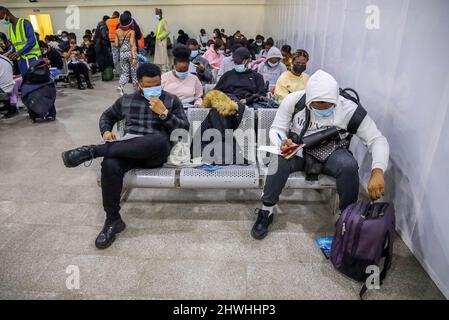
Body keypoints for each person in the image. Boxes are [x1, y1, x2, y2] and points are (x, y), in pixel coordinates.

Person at [61, 63, 189, 249]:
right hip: (128, 150)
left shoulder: (170, 100)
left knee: (157, 140)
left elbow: (184, 130)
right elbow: (107, 116)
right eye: (148, 85)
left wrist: (164, 114)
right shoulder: (126, 100)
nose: (154, 89)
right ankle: (113, 220)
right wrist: (106, 132)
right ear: (138, 84)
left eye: (157, 84)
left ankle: (93, 151)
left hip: (155, 152)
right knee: (110, 164)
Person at [251, 70, 389, 240]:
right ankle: (267, 211)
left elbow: (377, 139)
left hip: (332, 150)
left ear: (335, 100)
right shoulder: (295, 101)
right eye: (316, 106)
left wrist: (378, 171)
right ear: (309, 100)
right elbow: (277, 128)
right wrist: (281, 141)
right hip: (298, 148)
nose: (321, 110)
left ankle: (347, 218)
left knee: (349, 166)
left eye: (327, 106)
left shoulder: (349, 109)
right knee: (278, 161)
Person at [0, 6, 42, 76]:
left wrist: (19, 52)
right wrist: (10, 54)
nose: (1, 21)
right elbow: (15, 45)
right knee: (25, 81)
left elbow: (32, 41)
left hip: (33, 57)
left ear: (5, 14)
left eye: (1, 18)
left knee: (36, 80)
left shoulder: (25, 23)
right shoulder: (10, 27)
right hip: (21, 60)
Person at [114, 13, 138, 95]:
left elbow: (116, 44)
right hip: (130, 54)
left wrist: (123, 46)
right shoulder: (131, 32)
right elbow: (132, 45)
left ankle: (120, 87)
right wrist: (134, 57)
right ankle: (136, 92)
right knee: (134, 73)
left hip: (122, 54)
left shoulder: (117, 31)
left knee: (125, 73)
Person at [0, 53, 19, 118]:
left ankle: (12, 108)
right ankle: (8, 105)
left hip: (3, 89)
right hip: (11, 84)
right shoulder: (3, 58)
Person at [106, 11, 121, 76]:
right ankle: (123, 71)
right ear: (118, 16)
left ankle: (118, 72)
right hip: (119, 40)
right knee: (121, 56)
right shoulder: (119, 20)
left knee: (115, 57)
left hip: (112, 41)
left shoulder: (107, 21)